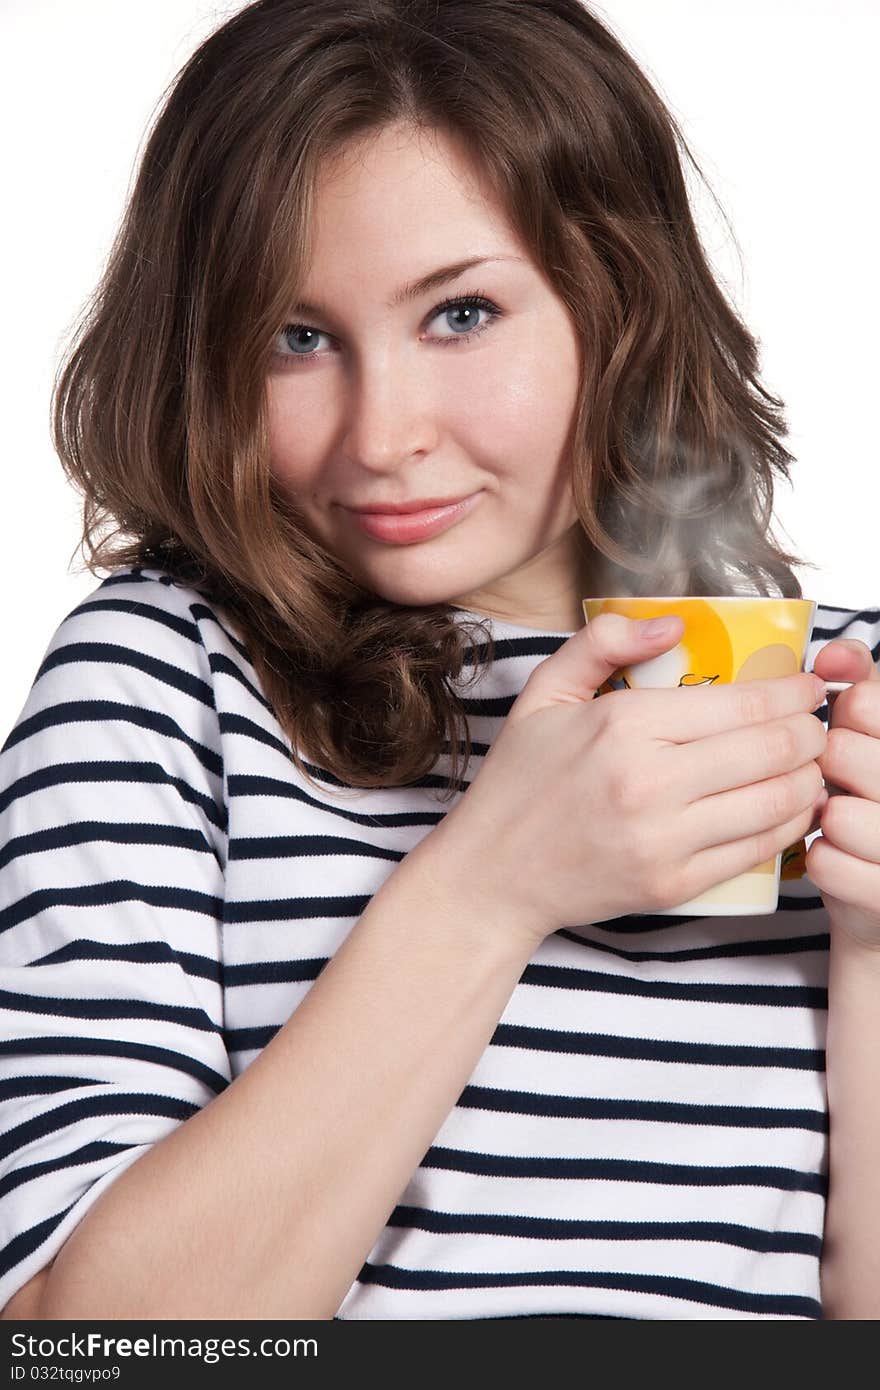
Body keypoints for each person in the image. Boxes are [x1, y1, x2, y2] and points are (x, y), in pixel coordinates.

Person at [1, 0, 878, 1322]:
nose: (383, 432)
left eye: (460, 312)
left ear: (618, 302)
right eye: (297, 338)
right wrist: (489, 884)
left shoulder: (850, 694)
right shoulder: (164, 682)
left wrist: (872, 954)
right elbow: (87, 1346)